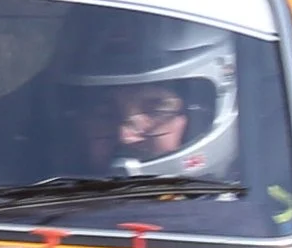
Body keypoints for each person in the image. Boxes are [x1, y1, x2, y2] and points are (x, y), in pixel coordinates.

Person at [50, 10, 244, 179]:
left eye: (155, 110)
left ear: (210, 110)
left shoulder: (251, 205)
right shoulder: (46, 197)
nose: (126, 137)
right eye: (104, 114)